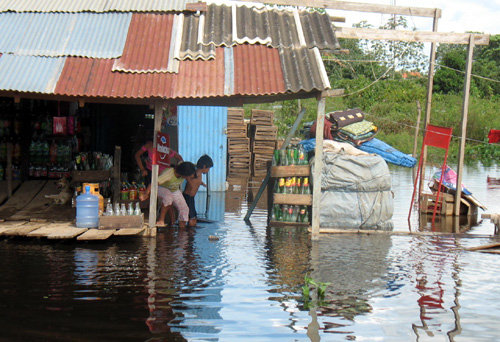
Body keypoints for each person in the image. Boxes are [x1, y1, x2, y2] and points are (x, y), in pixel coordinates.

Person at [139, 161, 195, 228]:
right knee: (168, 196)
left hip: (174, 190)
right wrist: (146, 193)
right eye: (188, 176)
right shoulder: (169, 173)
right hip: (160, 187)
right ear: (184, 174)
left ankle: (182, 229)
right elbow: (154, 183)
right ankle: (161, 220)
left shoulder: (182, 174)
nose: (188, 178)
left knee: (184, 209)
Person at [183, 155, 213, 227]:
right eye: (208, 168)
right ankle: (191, 229)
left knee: (193, 214)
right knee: (192, 215)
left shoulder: (198, 174)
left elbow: (197, 181)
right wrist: (190, 183)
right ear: (204, 166)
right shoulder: (196, 173)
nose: (208, 170)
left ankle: (191, 226)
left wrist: (202, 184)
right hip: (188, 197)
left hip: (191, 197)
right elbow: (187, 177)